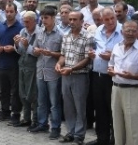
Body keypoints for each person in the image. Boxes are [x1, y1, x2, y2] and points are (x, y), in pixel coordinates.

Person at [108, 20, 138, 145]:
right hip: (116, 89)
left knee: (133, 128)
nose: (130, 33)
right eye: (127, 30)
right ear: (121, 32)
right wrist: (111, 70)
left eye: (134, 31)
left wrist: (133, 76)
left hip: (134, 91)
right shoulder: (116, 47)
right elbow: (111, 64)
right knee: (117, 125)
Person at [56, 11, 94, 145]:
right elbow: (62, 55)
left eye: (74, 20)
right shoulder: (66, 35)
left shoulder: (88, 37)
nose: (71, 22)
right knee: (68, 106)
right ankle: (70, 132)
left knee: (80, 107)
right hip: (66, 76)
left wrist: (71, 69)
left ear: (82, 21)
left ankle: (79, 135)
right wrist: (59, 63)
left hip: (80, 76)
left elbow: (87, 59)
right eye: (70, 19)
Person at [87, 7, 123, 145]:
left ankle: (115, 140)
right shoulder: (99, 30)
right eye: (106, 19)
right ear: (102, 19)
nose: (110, 22)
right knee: (100, 108)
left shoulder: (122, 31)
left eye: (112, 18)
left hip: (113, 77)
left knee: (113, 109)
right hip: (98, 74)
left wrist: (111, 56)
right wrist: (92, 54)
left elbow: (127, 52)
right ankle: (102, 139)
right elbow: (95, 48)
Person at [30, 7, 63, 138]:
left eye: (46, 18)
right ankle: (42, 124)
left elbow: (63, 54)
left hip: (53, 73)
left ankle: (56, 128)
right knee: (41, 101)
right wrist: (35, 51)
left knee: (54, 103)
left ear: (53, 18)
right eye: (42, 18)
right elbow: (33, 49)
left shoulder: (60, 34)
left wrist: (52, 53)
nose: (44, 20)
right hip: (40, 71)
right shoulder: (39, 32)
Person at [0, 3, 23, 124]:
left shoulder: (20, 28)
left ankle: (16, 113)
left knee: (15, 91)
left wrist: (14, 48)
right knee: (3, 90)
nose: (9, 14)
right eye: (7, 11)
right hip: (1, 63)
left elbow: (24, 47)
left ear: (16, 12)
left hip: (14, 64)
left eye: (11, 12)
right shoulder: (0, 27)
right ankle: (4, 111)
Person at [15, 11, 39, 129]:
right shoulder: (23, 31)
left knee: (33, 95)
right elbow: (20, 51)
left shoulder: (39, 33)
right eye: (24, 21)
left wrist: (26, 46)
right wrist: (16, 44)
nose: (25, 24)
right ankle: (26, 118)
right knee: (23, 93)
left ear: (34, 21)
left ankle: (35, 121)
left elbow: (38, 52)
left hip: (33, 67)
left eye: (28, 21)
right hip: (23, 65)